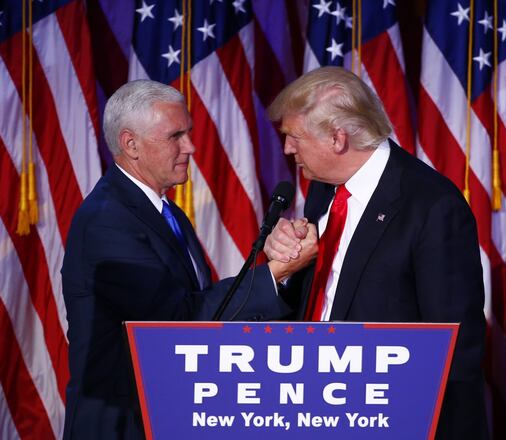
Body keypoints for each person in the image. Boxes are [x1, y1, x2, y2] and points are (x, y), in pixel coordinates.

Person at [61, 79, 317, 439]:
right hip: (124, 426)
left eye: (189, 133)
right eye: (175, 136)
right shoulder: (107, 221)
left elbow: (199, 304)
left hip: (169, 414)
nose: (191, 147)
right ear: (130, 144)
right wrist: (277, 271)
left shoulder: (165, 212)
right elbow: (174, 322)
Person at [263, 66, 487, 439]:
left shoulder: (430, 205)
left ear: (337, 139)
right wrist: (287, 266)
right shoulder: (323, 191)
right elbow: (323, 299)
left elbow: (454, 347)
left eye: (294, 136)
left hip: (388, 420)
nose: (287, 148)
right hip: (313, 409)